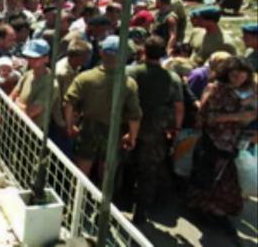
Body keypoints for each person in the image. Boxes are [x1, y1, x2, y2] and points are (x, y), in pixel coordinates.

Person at [124, 36, 184, 224]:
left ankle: (122, 200)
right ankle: (140, 212)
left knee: (125, 165)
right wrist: (176, 127)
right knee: (148, 172)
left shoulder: (132, 72)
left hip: (128, 126)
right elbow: (179, 106)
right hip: (155, 131)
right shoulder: (172, 78)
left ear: (144, 51)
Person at [64, 35, 143, 178]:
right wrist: (132, 136)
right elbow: (134, 115)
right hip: (113, 131)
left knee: (82, 170)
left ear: (101, 53)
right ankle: (101, 198)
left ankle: (77, 198)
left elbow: (69, 102)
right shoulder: (128, 83)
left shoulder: (85, 77)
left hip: (88, 128)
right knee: (107, 172)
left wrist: (70, 126)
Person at [188, 56, 257, 219]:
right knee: (205, 177)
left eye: (243, 75)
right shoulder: (215, 89)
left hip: (232, 142)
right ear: (226, 73)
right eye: (234, 75)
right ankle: (200, 210)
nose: (238, 79)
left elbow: (248, 116)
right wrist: (238, 116)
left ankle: (214, 211)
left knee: (225, 179)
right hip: (212, 140)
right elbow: (206, 116)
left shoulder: (246, 91)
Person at [53, 39, 92, 156]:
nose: (87, 59)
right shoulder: (61, 73)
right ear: (76, 57)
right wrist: (65, 125)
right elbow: (57, 100)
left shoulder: (76, 67)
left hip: (70, 118)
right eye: (85, 56)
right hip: (60, 121)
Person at [11, 39, 58, 130]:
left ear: (46, 59)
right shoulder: (28, 74)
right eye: (29, 57)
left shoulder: (51, 85)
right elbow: (11, 98)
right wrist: (18, 105)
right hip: (16, 127)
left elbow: (30, 112)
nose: (31, 61)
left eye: (35, 58)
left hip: (34, 133)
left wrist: (16, 103)